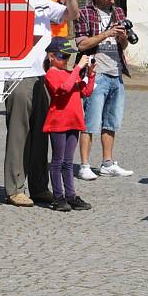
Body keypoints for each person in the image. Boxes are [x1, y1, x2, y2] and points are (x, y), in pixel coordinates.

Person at [4, 0, 79, 207]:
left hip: (42, 74)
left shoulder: (44, 2)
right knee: (19, 135)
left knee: (41, 134)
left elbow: (71, 14)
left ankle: (38, 187)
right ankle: (14, 188)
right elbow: (15, 20)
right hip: (18, 73)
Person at [75, 0, 133, 180]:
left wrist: (122, 38)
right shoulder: (84, 13)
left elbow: (123, 46)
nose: (112, 1)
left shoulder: (118, 12)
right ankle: (84, 165)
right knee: (89, 122)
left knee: (111, 121)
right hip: (94, 73)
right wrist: (105, 34)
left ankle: (107, 163)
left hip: (116, 72)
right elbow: (81, 45)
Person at [43, 37, 95, 212]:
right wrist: (78, 67)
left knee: (68, 162)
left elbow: (86, 91)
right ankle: (58, 197)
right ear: (51, 56)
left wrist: (91, 73)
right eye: (62, 56)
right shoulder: (51, 74)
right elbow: (64, 89)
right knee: (57, 161)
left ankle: (71, 196)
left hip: (73, 122)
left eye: (67, 57)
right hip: (58, 123)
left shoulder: (68, 73)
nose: (66, 60)